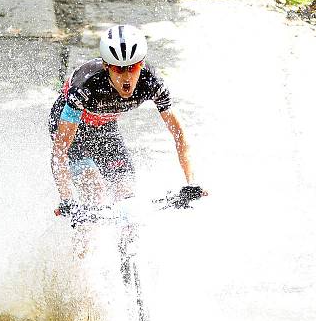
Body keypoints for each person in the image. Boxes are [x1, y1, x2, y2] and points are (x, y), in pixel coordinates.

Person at [49, 24, 204, 219]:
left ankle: (129, 249)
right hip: (74, 129)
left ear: (142, 63)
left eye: (132, 67)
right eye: (118, 69)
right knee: (95, 195)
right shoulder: (86, 85)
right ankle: (83, 246)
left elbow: (179, 136)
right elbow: (60, 150)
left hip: (105, 126)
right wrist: (67, 199)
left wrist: (192, 182)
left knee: (128, 201)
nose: (126, 77)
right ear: (107, 66)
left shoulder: (151, 83)